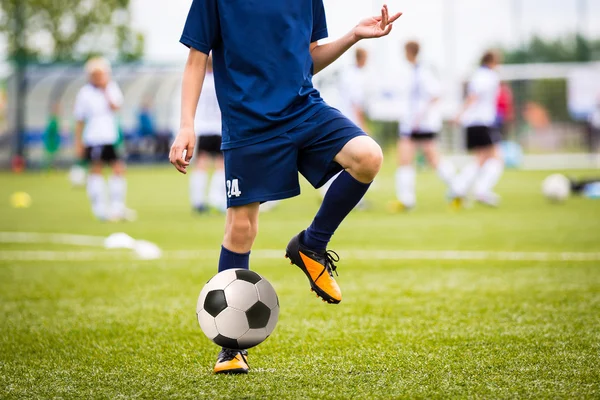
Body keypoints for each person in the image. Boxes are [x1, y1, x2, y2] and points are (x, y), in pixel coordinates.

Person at [170, 1, 401, 374]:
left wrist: (353, 36)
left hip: (303, 109)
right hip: (248, 122)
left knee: (368, 157)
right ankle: (231, 347)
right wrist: (186, 124)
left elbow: (307, 58)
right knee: (241, 228)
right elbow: (197, 58)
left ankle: (311, 244)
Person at [392, 41, 455, 211]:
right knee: (412, 159)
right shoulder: (413, 71)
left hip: (420, 124)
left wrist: (421, 115)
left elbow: (436, 94)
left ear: (409, 51)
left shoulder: (422, 72)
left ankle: (457, 188)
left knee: (426, 159)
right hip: (414, 123)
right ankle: (407, 200)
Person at [74, 57, 135, 221]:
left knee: (118, 168)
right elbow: (79, 120)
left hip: (111, 136)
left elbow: (116, 107)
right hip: (93, 138)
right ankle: (100, 209)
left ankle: (117, 207)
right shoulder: (84, 93)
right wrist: (78, 142)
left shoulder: (111, 88)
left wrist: (105, 89)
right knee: (96, 170)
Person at [452, 50, 503, 207]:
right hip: (482, 122)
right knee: (496, 159)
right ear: (493, 61)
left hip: (473, 122)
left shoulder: (477, 74)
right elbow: (474, 97)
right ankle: (480, 190)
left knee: (481, 158)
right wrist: (459, 113)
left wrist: (461, 114)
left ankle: (460, 188)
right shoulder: (489, 76)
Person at [319, 48, 370, 203]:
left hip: (340, 119)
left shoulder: (348, 74)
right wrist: (363, 124)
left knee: (340, 160)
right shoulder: (355, 77)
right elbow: (356, 104)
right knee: (356, 161)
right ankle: (354, 199)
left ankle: (328, 190)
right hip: (350, 122)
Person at [189, 55, 226, 213]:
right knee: (221, 164)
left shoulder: (200, 82)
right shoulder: (222, 81)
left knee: (201, 164)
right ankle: (215, 196)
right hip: (218, 127)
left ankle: (198, 200)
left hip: (203, 128)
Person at [43, 101, 62, 170]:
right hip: (51, 141)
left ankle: (52, 167)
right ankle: (48, 168)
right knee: (51, 155)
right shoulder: (52, 120)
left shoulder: (55, 119)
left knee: (53, 155)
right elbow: (50, 131)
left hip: (54, 141)